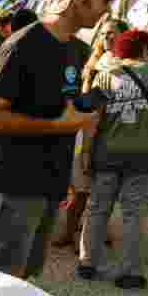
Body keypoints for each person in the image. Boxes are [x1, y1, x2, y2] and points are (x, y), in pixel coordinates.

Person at [0, 0, 112, 280]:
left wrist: (84, 108)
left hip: (51, 180)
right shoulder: (24, 43)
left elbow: (55, 105)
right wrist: (59, 125)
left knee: (25, 276)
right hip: (15, 181)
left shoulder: (78, 50)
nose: (109, 7)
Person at [77, 29, 148, 289]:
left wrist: (85, 152)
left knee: (97, 209)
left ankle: (87, 264)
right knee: (134, 214)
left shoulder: (106, 77)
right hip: (144, 155)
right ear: (144, 49)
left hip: (107, 153)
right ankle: (129, 272)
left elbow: (92, 119)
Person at [52, 16, 128, 249]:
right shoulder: (93, 61)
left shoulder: (126, 65)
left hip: (109, 132)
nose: (107, 37)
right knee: (79, 188)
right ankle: (69, 231)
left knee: (101, 190)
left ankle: (89, 238)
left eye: (112, 33)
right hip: (84, 129)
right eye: (104, 33)